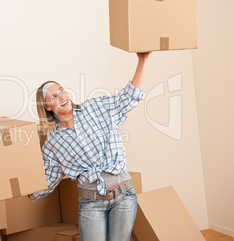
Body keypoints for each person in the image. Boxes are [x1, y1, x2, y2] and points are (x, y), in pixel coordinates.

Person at [28, 52, 152, 241]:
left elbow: (128, 97)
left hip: (124, 195)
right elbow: (48, 179)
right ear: (47, 107)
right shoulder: (52, 143)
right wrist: (14, 188)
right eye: (53, 96)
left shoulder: (96, 107)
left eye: (61, 90)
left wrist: (142, 61)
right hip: (91, 203)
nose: (61, 95)